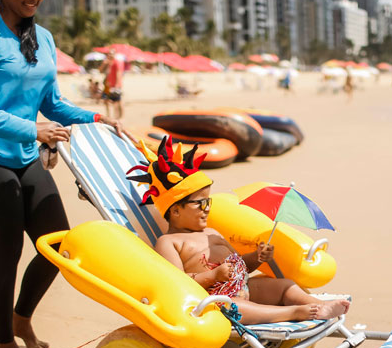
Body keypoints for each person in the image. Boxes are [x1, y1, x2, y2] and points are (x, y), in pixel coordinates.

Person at [0, 0, 126, 348]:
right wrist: (32, 130)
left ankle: (21, 317)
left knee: (61, 247)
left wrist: (96, 119)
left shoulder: (43, 38)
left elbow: (52, 104)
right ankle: (3, 346)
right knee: (5, 257)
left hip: (27, 156)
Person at [129, 137, 351, 325]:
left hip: (244, 286)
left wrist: (256, 257)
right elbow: (176, 283)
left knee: (285, 286)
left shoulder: (212, 232)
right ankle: (294, 312)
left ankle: (320, 305)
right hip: (214, 301)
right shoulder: (170, 242)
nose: (208, 208)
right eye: (201, 204)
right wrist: (212, 276)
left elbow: (240, 266)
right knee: (235, 306)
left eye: (208, 202)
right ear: (176, 211)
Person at [100, 48, 124, 118]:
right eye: (109, 54)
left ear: (114, 54)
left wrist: (117, 85)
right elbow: (100, 70)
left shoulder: (116, 62)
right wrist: (104, 64)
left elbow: (118, 73)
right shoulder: (108, 63)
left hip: (115, 85)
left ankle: (118, 117)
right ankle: (109, 115)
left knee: (117, 102)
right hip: (107, 85)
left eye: (111, 53)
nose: (110, 55)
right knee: (106, 100)